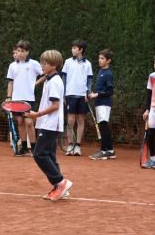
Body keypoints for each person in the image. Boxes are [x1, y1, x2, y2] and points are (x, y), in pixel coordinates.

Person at [25, 50, 73, 201]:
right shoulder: (50, 79)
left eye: (44, 64)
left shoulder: (55, 82)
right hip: (48, 123)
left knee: (39, 154)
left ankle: (60, 182)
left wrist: (36, 115)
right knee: (50, 155)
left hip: (50, 124)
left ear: (53, 65)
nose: (41, 66)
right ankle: (59, 188)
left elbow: (55, 106)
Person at [6, 40, 43, 156]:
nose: (20, 53)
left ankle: (34, 148)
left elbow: (45, 74)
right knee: (20, 122)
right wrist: (8, 97)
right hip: (16, 99)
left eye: (22, 51)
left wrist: (35, 83)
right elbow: (10, 82)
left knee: (29, 122)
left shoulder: (34, 64)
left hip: (28, 99)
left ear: (27, 52)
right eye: (18, 51)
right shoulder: (12, 65)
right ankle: (24, 148)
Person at [62, 39, 93, 156]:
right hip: (70, 95)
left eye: (75, 48)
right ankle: (70, 145)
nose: (72, 50)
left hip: (82, 96)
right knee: (70, 120)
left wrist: (88, 92)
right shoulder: (67, 62)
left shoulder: (88, 64)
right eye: (72, 47)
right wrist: (63, 94)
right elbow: (64, 79)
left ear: (81, 50)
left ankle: (78, 146)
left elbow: (89, 80)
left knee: (80, 120)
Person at [88, 49, 116, 160]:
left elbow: (110, 91)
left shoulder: (108, 74)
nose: (100, 60)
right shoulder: (100, 72)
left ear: (108, 60)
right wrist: (92, 94)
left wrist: (97, 95)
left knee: (103, 126)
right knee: (103, 126)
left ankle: (104, 151)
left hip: (104, 104)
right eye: (99, 58)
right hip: (99, 103)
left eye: (102, 58)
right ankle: (110, 151)